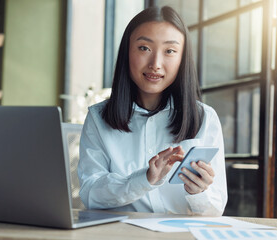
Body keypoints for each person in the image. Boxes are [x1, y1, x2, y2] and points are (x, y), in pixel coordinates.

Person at [78, 6, 227, 216]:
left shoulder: (205, 118)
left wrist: (199, 193)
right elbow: (90, 194)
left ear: (182, 59)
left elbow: (215, 210)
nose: (155, 64)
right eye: (144, 48)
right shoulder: (98, 118)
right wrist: (145, 179)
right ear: (127, 52)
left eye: (170, 51)